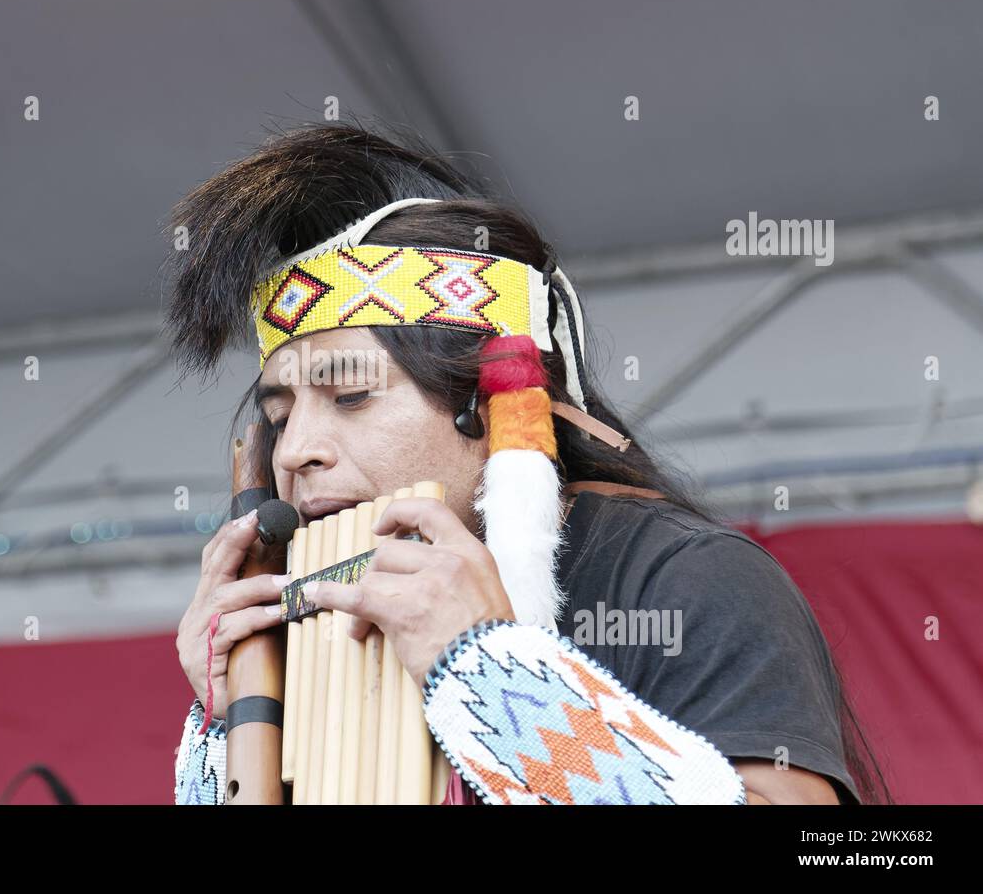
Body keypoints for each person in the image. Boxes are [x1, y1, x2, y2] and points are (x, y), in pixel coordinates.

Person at [164, 119, 889, 805]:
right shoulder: (301, 638)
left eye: (350, 395)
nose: (294, 451)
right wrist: (227, 725)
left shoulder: (687, 578)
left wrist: (489, 674)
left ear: (490, 403)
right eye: (280, 416)